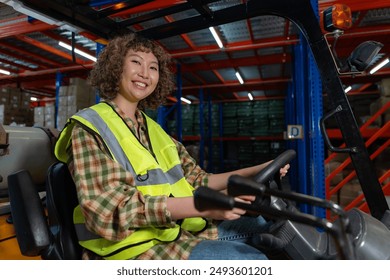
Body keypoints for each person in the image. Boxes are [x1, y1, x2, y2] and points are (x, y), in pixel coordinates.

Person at [54, 33, 290, 260]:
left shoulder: (154, 130)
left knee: (272, 228)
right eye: (136, 62)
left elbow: (198, 181)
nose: (145, 73)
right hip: (132, 250)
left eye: (153, 67)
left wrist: (260, 169)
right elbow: (108, 211)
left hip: (173, 232)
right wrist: (203, 208)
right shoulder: (90, 127)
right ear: (116, 67)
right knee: (251, 262)